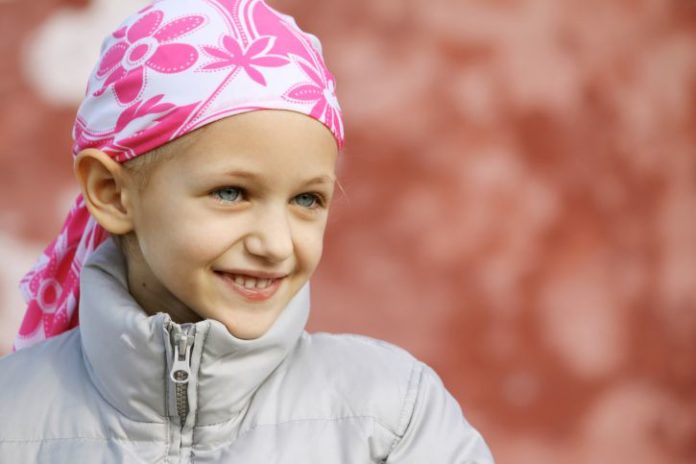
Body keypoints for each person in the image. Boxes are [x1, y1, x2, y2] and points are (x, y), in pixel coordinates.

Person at [0, 0, 495, 462]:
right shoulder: (13, 419)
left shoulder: (392, 416)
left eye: (307, 200)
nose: (276, 245)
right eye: (232, 193)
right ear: (111, 192)